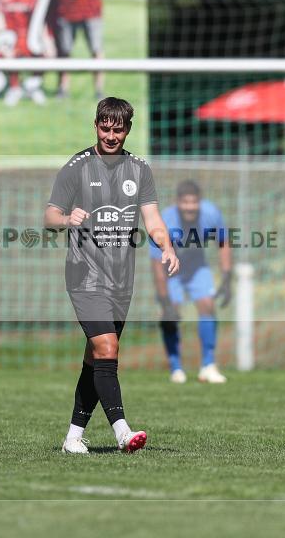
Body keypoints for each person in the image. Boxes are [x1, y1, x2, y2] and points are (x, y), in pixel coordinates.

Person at [45, 97, 179, 454]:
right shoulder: (76, 167)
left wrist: (166, 246)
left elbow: (152, 218)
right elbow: (50, 216)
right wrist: (65, 220)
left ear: (127, 130)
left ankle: (73, 436)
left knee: (96, 357)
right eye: (105, 127)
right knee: (108, 348)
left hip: (122, 280)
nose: (110, 135)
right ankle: (122, 432)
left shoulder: (139, 169)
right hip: (84, 276)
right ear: (96, 126)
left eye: (118, 129)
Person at [149, 180, 232, 384]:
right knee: (171, 313)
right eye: (185, 202)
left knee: (207, 304)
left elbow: (223, 243)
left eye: (193, 202)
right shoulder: (165, 220)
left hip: (197, 266)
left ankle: (208, 365)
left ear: (199, 202)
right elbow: (157, 264)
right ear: (178, 203)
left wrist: (228, 278)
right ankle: (176, 367)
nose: (190, 207)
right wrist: (165, 301)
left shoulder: (211, 213)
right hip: (171, 269)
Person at [54, 0, 112, 98]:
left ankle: (99, 90)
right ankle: (63, 89)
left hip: (92, 13)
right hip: (66, 12)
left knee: (96, 50)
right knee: (65, 51)